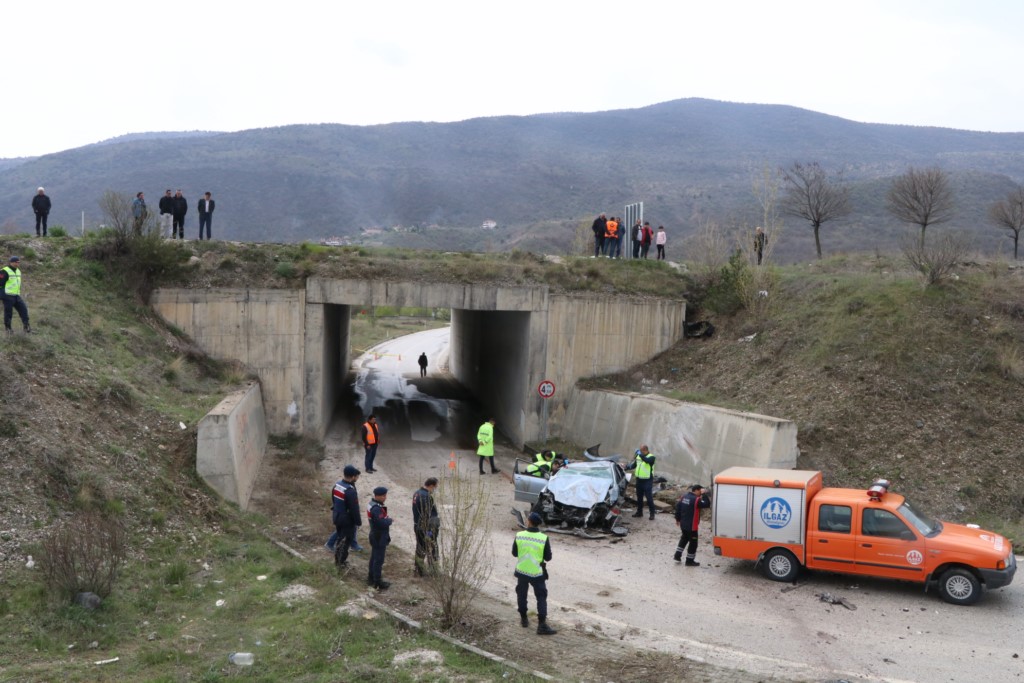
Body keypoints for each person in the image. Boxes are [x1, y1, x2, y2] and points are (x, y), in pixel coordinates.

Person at [513, 512, 556, 635]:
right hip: (537, 573)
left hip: (522, 571)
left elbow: (514, 553)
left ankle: (524, 620)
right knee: (541, 597)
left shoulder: (519, 535)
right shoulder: (543, 538)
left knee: (521, 595)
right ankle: (541, 625)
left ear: (529, 521)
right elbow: (548, 557)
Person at [330, 465, 362, 567]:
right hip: (346, 520)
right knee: (345, 542)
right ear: (353, 476)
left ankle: (338, 560)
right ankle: (340, 562)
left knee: (340, 539)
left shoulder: (337, 485)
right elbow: (354, 508)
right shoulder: (350, 491)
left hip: (337, 516)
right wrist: (358, 522)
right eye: (356, 476)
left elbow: (334, 500)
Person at [674, 484, 712, 566]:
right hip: (692, 527)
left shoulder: (684, 496)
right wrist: (704, 494)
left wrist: (677, 519)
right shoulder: (696, 500)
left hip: (683, 524)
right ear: (697, 490)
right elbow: (707, 504)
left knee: (684, 539)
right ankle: (689, 561)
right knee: (693, 543)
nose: (700, 493)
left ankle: (677, 555)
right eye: (700, 491)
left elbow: (678, 507)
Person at [412, 477, 440, 577]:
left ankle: (418, 570)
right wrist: (430, 533)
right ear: (431, 486)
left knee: (420, 548)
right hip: (426, 528)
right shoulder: (426, 497)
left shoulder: (417, 493)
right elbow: (427, 515)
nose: (435, 489)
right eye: (435, 487)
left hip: (417, 526)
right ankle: (433, 571)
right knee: (432, 548)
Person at [367, 486, 393, 590]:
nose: (385, 497)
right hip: (379, 536)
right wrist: (390, 520)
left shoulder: (372, 504)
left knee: (374, 557)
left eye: (385, 495)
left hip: (375, 535)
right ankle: (377, 582)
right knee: (378, 560)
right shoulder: (376, 508)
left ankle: (371, 577)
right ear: (377, 496)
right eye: (383, 496)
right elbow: (381, 523)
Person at [1, 256, 30, 334]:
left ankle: (26, 328)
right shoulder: (4, 271)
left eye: (18, 262)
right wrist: (3, 294)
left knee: (24, 310)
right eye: (16, 262)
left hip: (16, 295)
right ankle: (8, 329)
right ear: (11, 262)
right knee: (8, 313)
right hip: (7, 295)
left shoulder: (18, 271)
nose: (18, 263)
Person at [627, 445, 657, 519]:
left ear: (645, 450)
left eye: (641, 451)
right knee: (639, 497)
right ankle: (639, 512)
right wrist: (627, 467)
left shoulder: (651, 457)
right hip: (639, 480)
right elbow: (634, 465)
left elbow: (646, 461)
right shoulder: (639, 457)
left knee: (649, 497)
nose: (640, 452)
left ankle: (652, 514)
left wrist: (639, 454)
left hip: (647, 481)